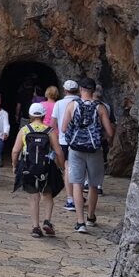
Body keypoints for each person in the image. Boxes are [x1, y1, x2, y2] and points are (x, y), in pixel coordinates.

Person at [61, 77, 115, 233]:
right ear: (93, 91)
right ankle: (91, 216)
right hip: (94, 150)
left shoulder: (72, 105)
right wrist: (99, 135)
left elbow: (64, 128)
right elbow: (110, 132)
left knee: (76, 183)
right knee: (92, 184)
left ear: (80, 90)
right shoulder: (101, 107)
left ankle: (80, 222)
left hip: (75, 150)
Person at [12, 102, 65, 237]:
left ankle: (36, 227)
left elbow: (15, 151)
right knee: (47, 195)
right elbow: (58, 151)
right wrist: (61, 166)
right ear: (43, 115)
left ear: (30, 115)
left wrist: (15, 165)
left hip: (28, 168)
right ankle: (47, 221)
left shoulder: (24, 130)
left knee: (33, 197)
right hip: (46, 168)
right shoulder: (49, 131)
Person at [53, 80, 81, 211]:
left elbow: (53, 124)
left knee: (67, 168)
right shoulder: (82, 103)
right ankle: (78, 195)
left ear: (65, 90)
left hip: (64, 141)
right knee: (80, 168)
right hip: (81, 141)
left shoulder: (59, 103)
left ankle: (71, 198)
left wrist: (54, 138)